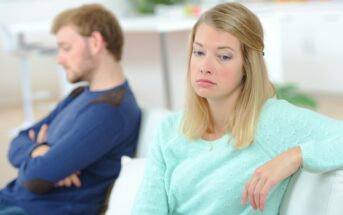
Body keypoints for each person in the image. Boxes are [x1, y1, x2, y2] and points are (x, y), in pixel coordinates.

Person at [132, 2, 343, 214]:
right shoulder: (169, 130)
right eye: (198, 52)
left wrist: (295, 156)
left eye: (223, 56)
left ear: (247, 66)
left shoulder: (271, 121)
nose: (205, 66)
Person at [0, 4, 141, 215]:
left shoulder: (109, 112)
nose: (59, 58)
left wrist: (40, 159)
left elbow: (34, 179)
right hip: (14, 200)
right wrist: (39, 150)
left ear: (95, 42)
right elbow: (17, 142)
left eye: (66, 48)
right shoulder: (79, 95)